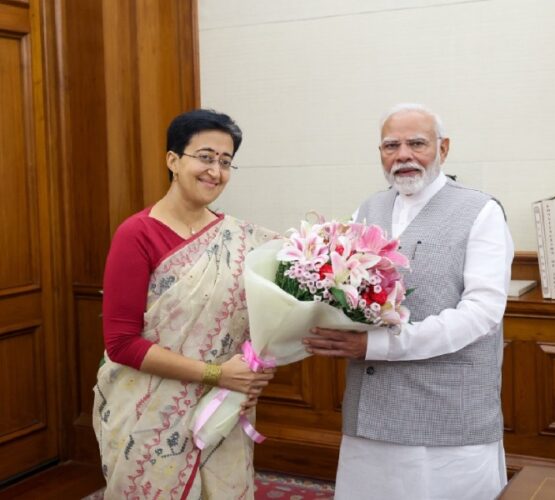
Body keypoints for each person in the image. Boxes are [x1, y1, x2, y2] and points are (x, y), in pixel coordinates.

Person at [304, 103, 514, 499]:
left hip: (446, 414)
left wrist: (379, 345)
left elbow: (482, 314)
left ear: (443, 148)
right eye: (390, 146)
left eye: (417, 143)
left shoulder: (481, 211)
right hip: (372, 409)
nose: (403, 155)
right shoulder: (367, 210)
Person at [93, 109, 275, 499]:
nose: (216, 171)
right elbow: (121, 342)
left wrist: (248, 377)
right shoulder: (137, 234)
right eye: (205, 157)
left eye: (226, 162)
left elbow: (261, 325)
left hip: (219, 408)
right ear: (173, 160)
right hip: (148, 413)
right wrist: (216, 373)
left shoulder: (241, 238)